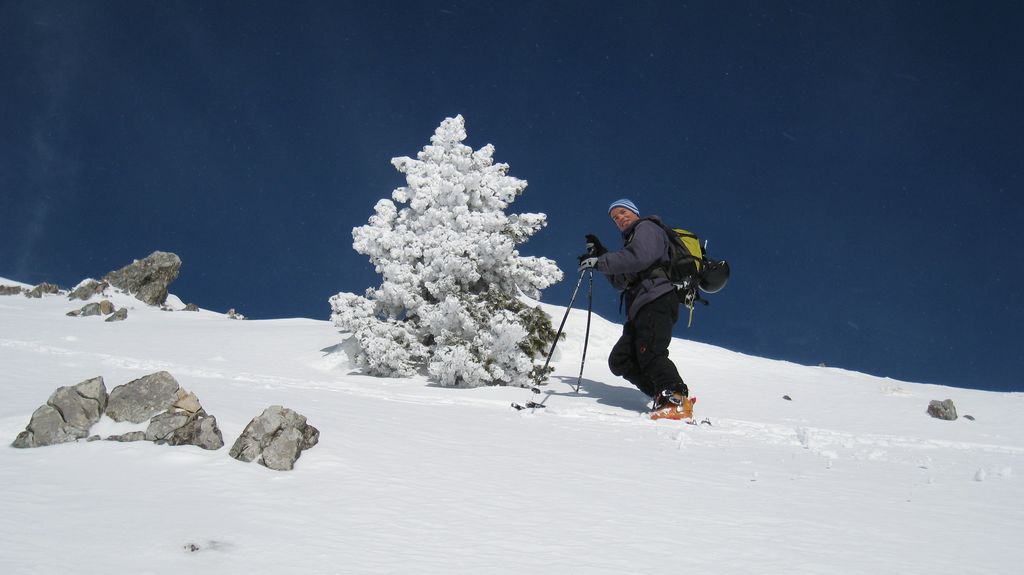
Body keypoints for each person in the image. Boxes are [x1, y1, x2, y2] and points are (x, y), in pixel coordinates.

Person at [578, 198, 690, 416]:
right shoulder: (631, 242)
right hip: (641, 306)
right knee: (621, 360)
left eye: (622, 212)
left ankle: (675, 399)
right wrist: (600, 254)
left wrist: (601, 262)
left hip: (657, 298)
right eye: (614, 217)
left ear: (634, 212)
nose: (619, 218)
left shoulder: (647, 227)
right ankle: (660, 393)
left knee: (651, 352)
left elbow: (640, 256)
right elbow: (621, 281)